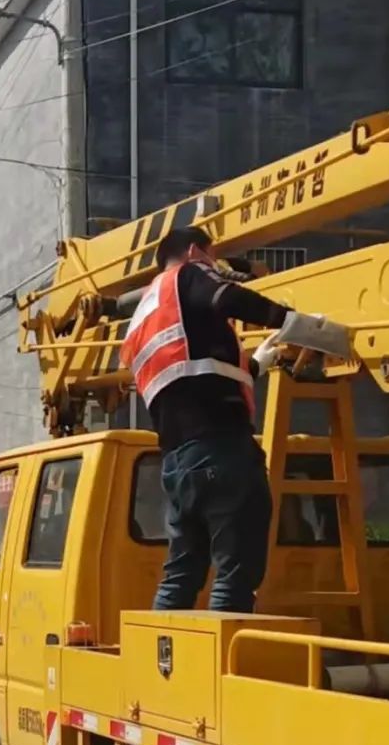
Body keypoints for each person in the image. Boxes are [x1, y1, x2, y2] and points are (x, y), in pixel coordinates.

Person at [120, 227, 328, 613]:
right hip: (221, 448)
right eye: (212, 259)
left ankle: (162, 665)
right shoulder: (187, 274)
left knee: (182, 573)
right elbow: (228, 296)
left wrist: (259, 361)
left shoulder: (144, 316)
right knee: (236, 574)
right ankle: (220, 668)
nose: (214, 267)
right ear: (197, 251)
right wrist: (293, 322)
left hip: (178, 461)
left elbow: (194, 375)